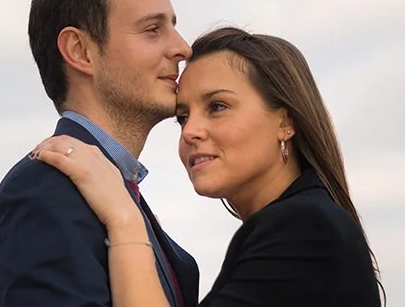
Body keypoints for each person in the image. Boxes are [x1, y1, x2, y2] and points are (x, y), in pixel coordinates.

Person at [33, 26, 384, 307]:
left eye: (217, 106)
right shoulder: (295, 224)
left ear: (285, 122)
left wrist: (123, 217)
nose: (190, 132)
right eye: (182, 117)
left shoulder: (307, 228)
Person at [0, 0, 200, 307]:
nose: (183, 48)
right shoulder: (43, 194)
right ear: (80, 51)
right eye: (153, 29)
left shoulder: (116, 199)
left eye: (173, 27)